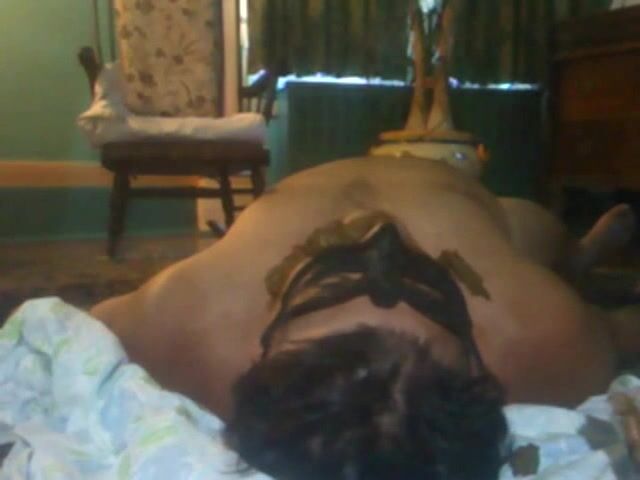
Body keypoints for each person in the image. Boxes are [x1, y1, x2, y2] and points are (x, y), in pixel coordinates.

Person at [91, 154, 640, 480]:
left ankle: (574, 256)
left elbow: (82, 321)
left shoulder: (183, 325)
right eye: (416, 311)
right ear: (482, 371)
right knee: (530, 233)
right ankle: (577, 255)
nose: (379, 240)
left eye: (332, 297)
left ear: (256, 359)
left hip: (303, 189)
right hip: (456, 197)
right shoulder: (542, 338)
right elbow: (623, 331)